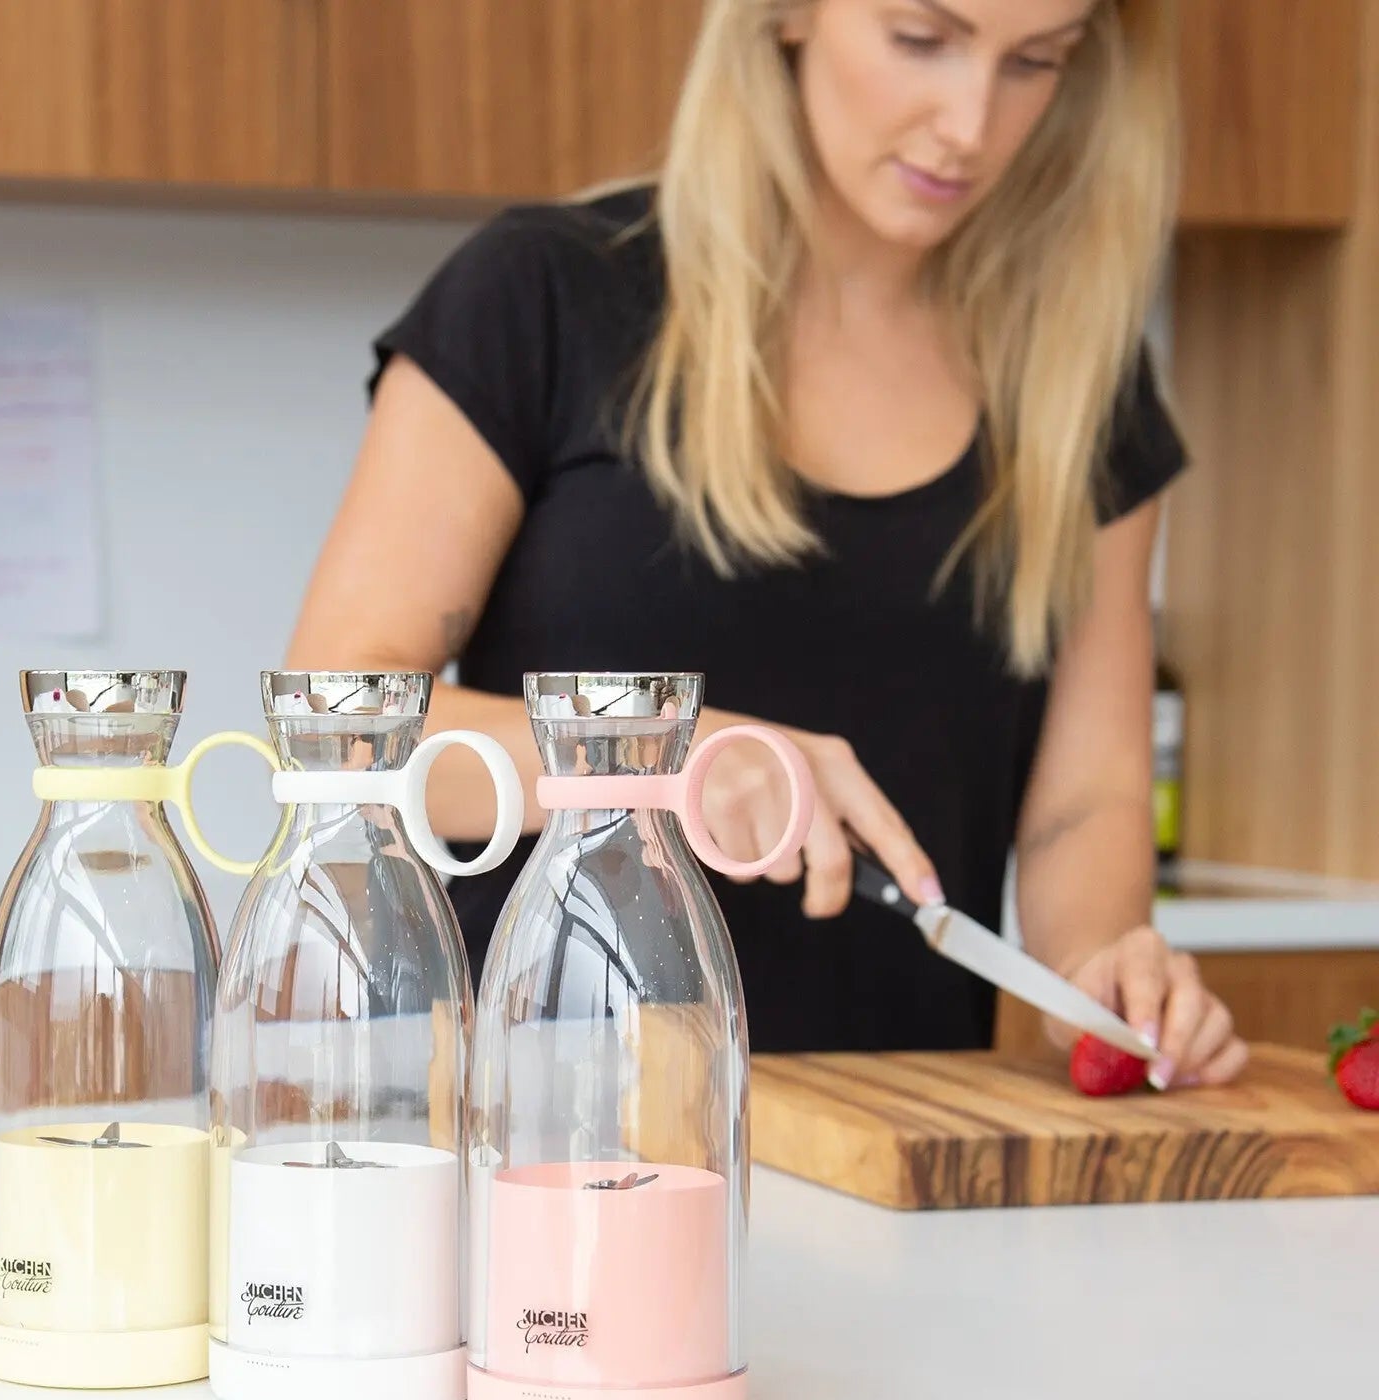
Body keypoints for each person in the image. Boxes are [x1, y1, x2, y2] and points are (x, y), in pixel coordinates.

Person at [288, 0, 1248, 1090]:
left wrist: (1107, 973)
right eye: (921, 40)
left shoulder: (1079, 381)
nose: (971, 125)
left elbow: (1087, 804)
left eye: (1036, 62)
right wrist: (663, 762)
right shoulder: (539, 295)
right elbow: (330, 731)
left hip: (894, 1130)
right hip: (548, 1129)